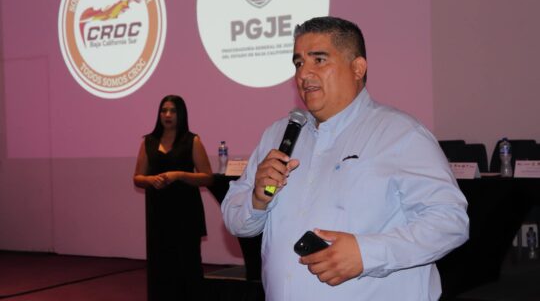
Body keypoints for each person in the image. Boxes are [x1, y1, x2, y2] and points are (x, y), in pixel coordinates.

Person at [221, 16, 469, 300]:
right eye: (299, 63)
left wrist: (366, 255)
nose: (304, 73)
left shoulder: (401, 133)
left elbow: (449, 223)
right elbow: (236, 222)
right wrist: (257, 200)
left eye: (319, 60)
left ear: (357, 68)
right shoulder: (278, 135)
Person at [133, 95, 213, 301]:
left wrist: (179, 175)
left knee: (187, 265)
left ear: (181, 114)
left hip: (185, 214)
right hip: (158, 214)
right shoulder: (148, 141)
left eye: (173, 111)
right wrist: (150, 180)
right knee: (160, 266)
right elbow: (137, 177)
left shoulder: (192, 140)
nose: (167, 115)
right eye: (164, 110)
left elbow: (207, 177)